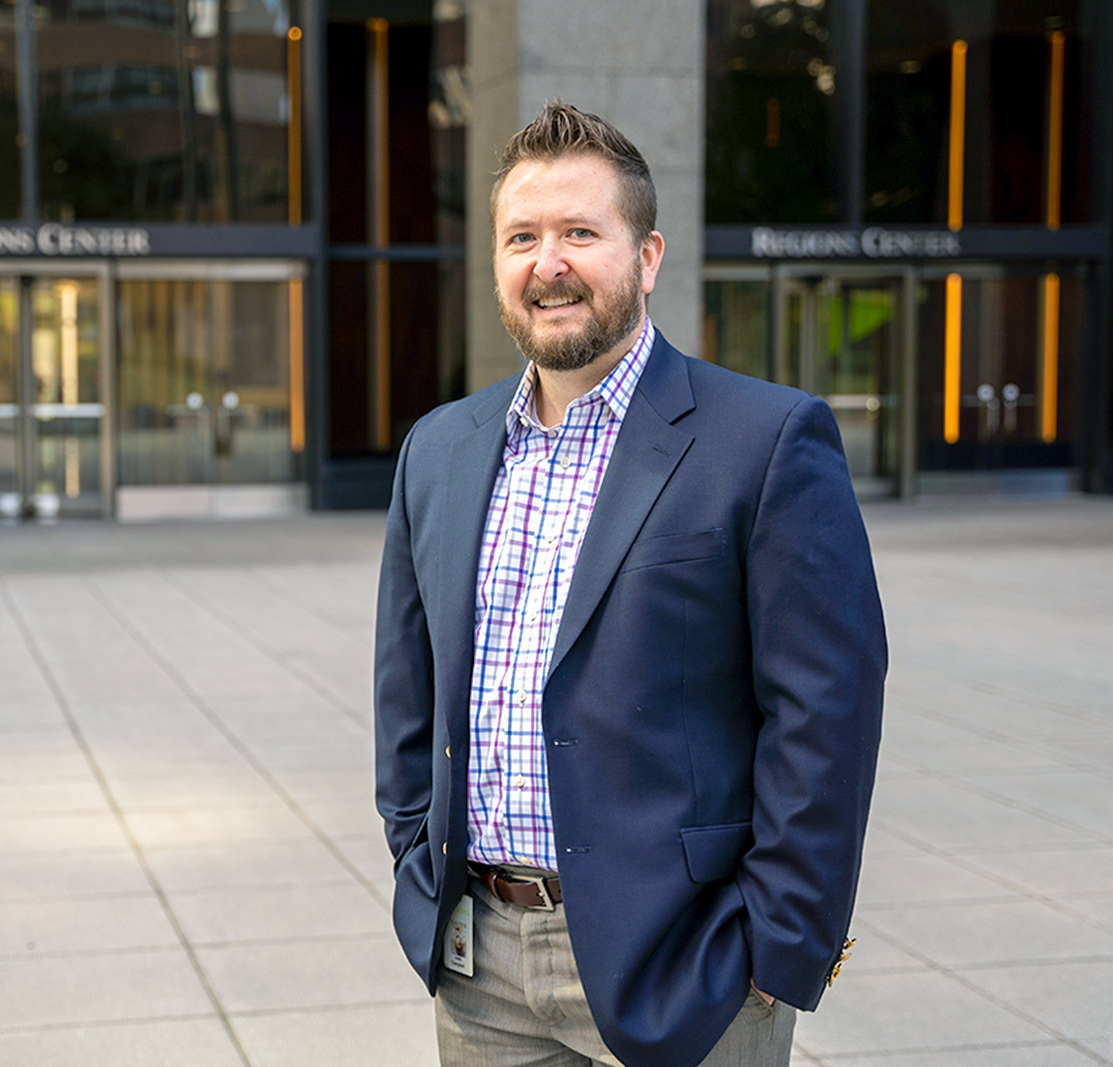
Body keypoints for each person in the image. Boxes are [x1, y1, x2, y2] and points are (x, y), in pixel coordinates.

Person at [373, 102, 886, 1067]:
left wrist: (776, 944)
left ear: (646, 257)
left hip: (687, 965)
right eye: (522, 236)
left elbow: (827, 711)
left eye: (580, 232)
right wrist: (415, 851)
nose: (547, 262)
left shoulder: (766, 441)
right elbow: (407, 683)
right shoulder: (438, 448)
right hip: (478, 961)